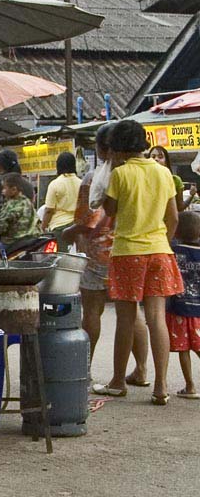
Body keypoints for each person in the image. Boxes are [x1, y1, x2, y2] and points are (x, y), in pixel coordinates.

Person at [93, 120, 182, 406]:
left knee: (126, 318)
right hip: (159, 251)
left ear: (118, 147)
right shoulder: (163, 172)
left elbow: (109, 210)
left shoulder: (120, 174)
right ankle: (161, 386)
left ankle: (118, 381)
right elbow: (173, 217)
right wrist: (162, 242)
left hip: (127, 252)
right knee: (157, 318)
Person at [63, 123, 149, 385]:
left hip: (98, 253)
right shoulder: (141, 172)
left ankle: (85, 370)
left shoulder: (94, 178)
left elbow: (87, 221)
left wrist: (68, 233)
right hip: (132, 250)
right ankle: (142, 370)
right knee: (133, 313)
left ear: (102, 149)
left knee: (92, 311)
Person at [165, 211, 200, 398]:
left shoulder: (173, 251)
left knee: (183, 348)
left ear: (176, 231)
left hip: (178, 308)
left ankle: (190, 386)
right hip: (198, 310)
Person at [0, 172, 40, 253]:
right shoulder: (26, 201)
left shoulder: (11, 205)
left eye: (4, 188)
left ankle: (0, 261)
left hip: (14, 240)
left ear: (14, 190)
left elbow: (1, 226)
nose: (2, 191)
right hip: (32, 238)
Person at [42, 152, 82, 251]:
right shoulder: (81, 183)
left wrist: (43, 227)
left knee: (61, 257)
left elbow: (49, 210)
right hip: (77, 227)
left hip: (60, 229)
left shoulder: (55, 184)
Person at [148, 145, 187, 212]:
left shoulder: (175, 180)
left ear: (166, 161)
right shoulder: (143, 180)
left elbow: (180, 207)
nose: (156, 159)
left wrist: (191, 195)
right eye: (153, 157)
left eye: (160, 157)